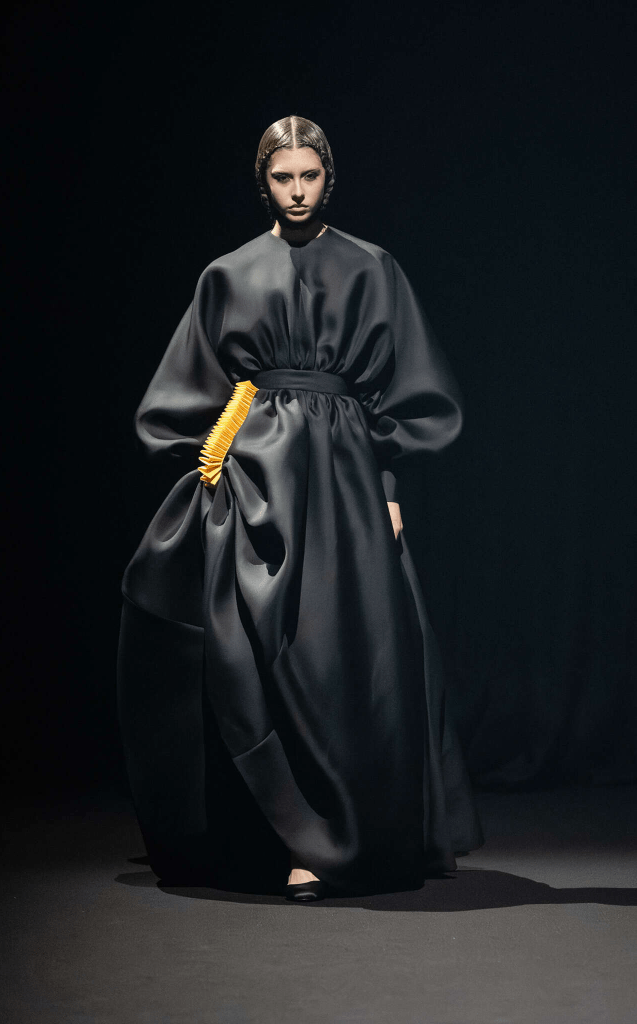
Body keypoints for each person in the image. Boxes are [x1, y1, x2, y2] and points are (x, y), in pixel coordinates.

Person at [117, 115, 483, 901]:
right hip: (256, 482)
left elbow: (410, 388)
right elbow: (184, 388)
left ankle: (345, 835)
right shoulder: (228, 274)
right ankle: (276, 836)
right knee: (259, 653)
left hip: (345, 483)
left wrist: (388, 490)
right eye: (281, 177)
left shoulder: (371, 267)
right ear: (263, 183)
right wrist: (217, 466)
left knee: (341, 656)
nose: (295, 191)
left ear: (328, 178)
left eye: (307, 176)